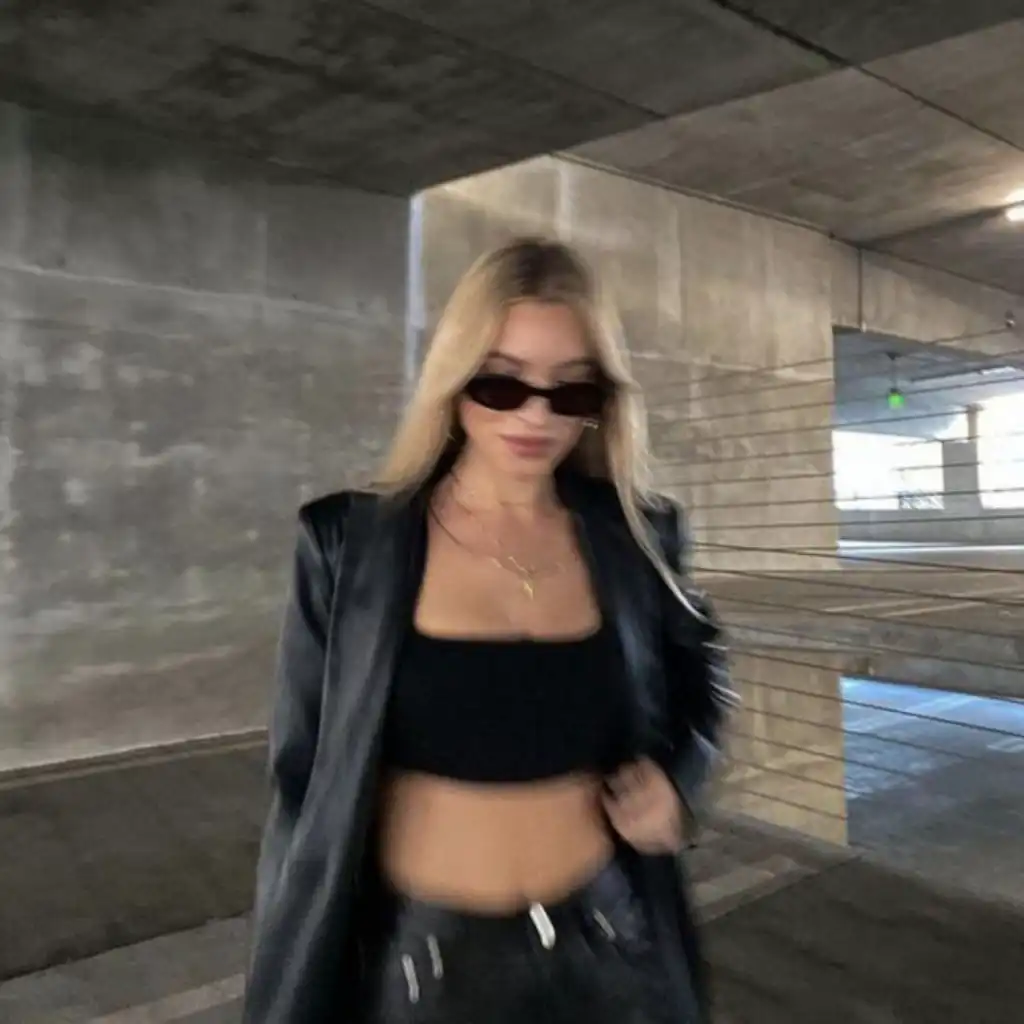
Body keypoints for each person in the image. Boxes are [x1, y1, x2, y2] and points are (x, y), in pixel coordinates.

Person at [242, 237, 734, 1024]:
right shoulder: (347, 547)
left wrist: (681, 781)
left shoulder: (637, 538)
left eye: (571, 390)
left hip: (610, 945)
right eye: (501, 382)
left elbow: (700, 666)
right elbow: (302, 781)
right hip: (426, 965)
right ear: (454, 377)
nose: (536, 414)